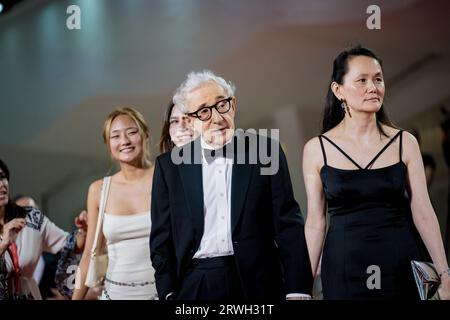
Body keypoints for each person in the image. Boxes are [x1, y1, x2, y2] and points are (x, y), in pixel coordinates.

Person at [150, 70, 313, 301]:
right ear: (191, 121)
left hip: (259, 282)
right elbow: (161, 239)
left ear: (233, 105)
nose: (217, 118)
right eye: (204, 112)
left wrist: (298, 289)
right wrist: (168, 292)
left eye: (221, 105)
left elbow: (288, 225)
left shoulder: (266, 151)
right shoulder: (169, 167)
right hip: (195, 283)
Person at [303, 46, 450, 299]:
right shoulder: (317, 149)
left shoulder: (405, 142)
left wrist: (445, 274)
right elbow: (316, 223)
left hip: (402, 262)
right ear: (338, 91)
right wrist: (301, 287)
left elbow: (423, 211)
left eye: (378, 79)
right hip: (344, 268)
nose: (373, 87)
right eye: (362, 80)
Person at [73, 107, 158, 300]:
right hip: (114, 294)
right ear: (108, 144)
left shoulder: (164, 178)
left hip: (161, 293)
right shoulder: (98, 190)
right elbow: (88, 256)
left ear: (145, 135)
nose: (124, 141)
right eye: (115, 136)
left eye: (132, 132)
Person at [0, 159, 86, 300]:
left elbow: (70, 244)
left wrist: (84, 230)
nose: (1, 185)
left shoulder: (31, 217)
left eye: (2, 177)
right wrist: (3, 245)